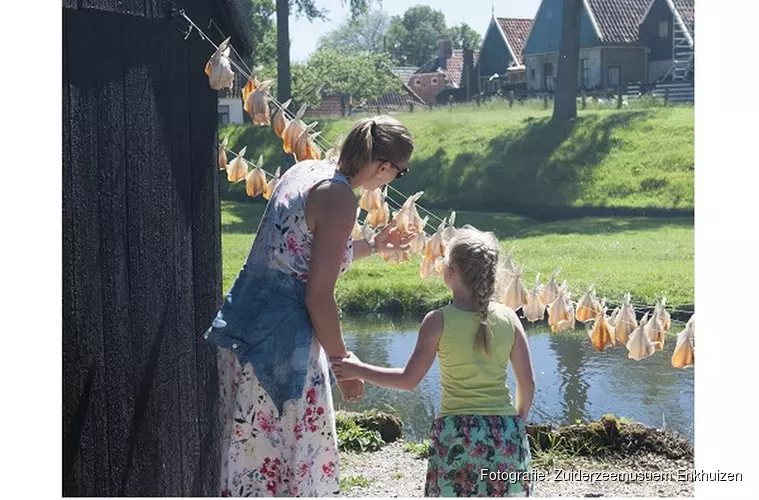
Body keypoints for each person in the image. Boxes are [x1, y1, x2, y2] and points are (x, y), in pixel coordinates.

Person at [204, 115, 416, 496]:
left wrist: (375, 245)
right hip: (283, 350)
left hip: (241, 328)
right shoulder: (339, 198)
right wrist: (345, 366)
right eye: (399, 173)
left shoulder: (305, 170)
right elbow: (318, 297)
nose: (392, 179)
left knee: (245, 459)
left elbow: (298, 253)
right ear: (384, 166)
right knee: (291, 466)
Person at [330, 227, 536, 497]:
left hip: (458, 434)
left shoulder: (438, 321)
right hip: (506, 432)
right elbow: (527, 383)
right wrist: (517, 421)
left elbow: (408, 380)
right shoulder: (509, 318)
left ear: (450, 274)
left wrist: (357, 369)